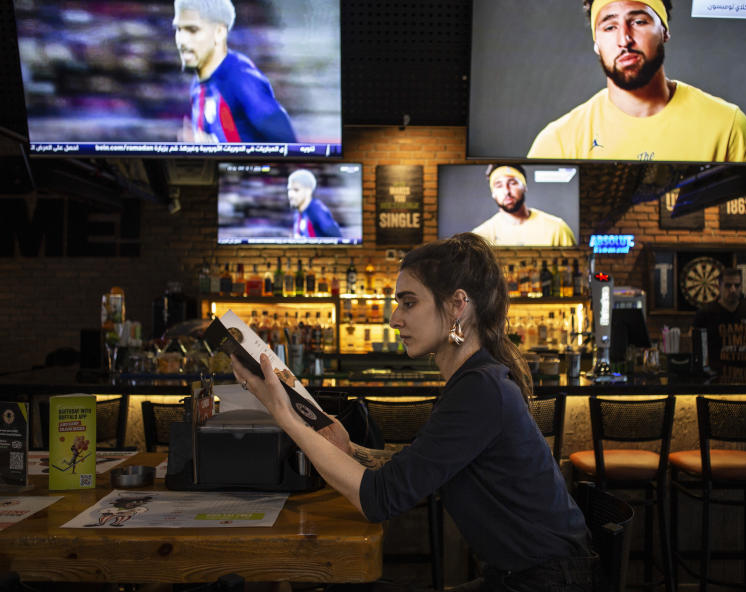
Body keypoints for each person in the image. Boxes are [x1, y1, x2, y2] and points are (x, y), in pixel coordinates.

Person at [231, 233, 599, 590]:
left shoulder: (480, 388)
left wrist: (285, 415)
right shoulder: (475, 380)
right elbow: (413, 469)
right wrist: (348, 448)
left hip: (547, 581)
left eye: (408, 303)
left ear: (457, 305)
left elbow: (378, 499)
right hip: (525, 575)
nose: (394, 319)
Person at [526, 0, 746, 162]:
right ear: (596, 43)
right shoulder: (557, 143)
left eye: (639, 22)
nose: (624, 39)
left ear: (665, 31)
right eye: (609, 27)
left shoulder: (729, 126)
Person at [173, 0, 296, 144]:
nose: (181, 40)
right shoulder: (198, 85)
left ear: (219, 32)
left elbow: (287, 144)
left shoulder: (240, 78)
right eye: (179, 29)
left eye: (192, 30)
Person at [472, 164, 577, 247]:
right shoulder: (480, 237)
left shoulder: (557, 228)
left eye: (512, 183)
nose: (506, 191)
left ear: (524, 187)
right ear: (493, 193)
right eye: (499, 185)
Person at [692, 267, 746, 381]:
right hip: (715, 376)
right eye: (728, 285)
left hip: (745, 374)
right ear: (719, 287)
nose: (733, 290)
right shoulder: (705, 313)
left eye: (737, 286)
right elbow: (694, 344)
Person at [286, 169, 342, 239]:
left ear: (308, 191)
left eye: (296, 190)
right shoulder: (298, 213)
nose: (290, 195)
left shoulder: (317, 210)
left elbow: (337, 238)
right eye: (289, 189)